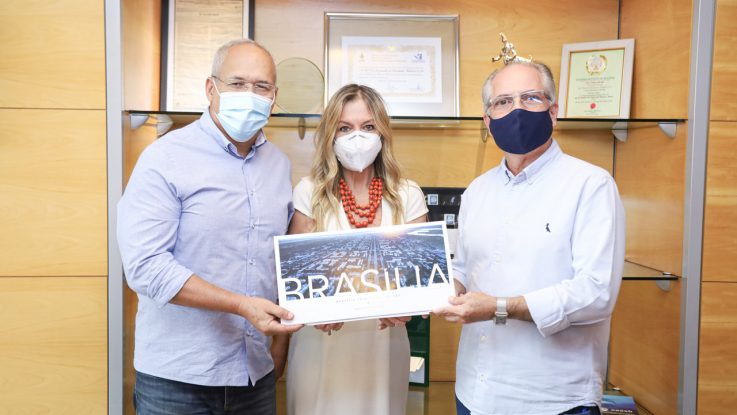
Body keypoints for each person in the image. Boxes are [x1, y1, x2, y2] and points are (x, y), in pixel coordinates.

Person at [117, 39, 302, 415]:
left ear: (274, 97)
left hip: (255, 375)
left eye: (261, 86)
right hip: (177, 379)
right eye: (237, 83)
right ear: (210, 88)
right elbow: (145, 266)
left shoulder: (279, 165)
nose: (249, 94)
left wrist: (283, 343)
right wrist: (240, 305)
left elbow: (282, 262)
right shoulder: (165, 157)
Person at [434, 60, 625, 415]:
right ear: (488, 120)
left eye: (531, 98)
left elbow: (596, 293)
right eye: (503, 101)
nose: (517, 110)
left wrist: (499, 307)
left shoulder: (591, 186)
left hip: (553, 399)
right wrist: (415, 296)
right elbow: (462, 270)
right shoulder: (477, 191)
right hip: (474, 392)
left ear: (553, 112)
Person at [277, 84, 429, 415]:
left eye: (368, 126)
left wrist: (410, 306)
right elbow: (293, 284)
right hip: (321, 347)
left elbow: (422, 282)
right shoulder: (309, 193)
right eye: (345, 128)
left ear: (382, 133)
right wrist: (312, 311)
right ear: (330, 135)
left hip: (384, 346)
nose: (357, 137)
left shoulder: (408, 195)